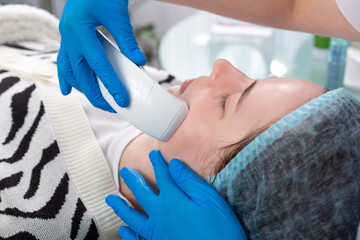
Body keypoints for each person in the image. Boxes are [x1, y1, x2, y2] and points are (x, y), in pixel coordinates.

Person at [57, 0, 360, 239]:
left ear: (217, 189)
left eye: (227, 103)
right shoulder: (158, 87)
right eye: (255, 79)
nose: (222, 65)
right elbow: (297, 5)